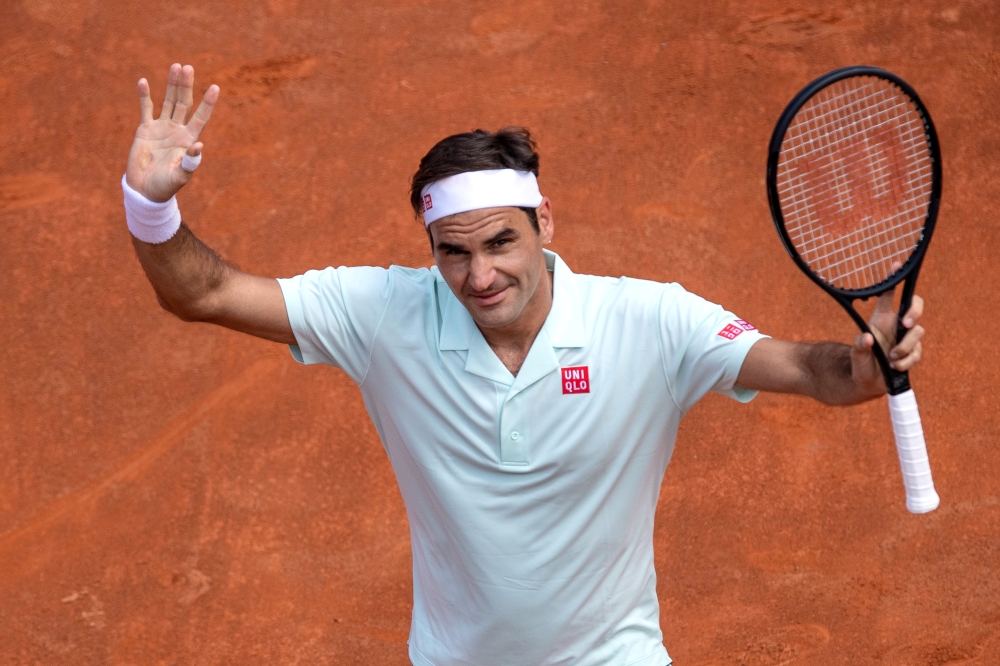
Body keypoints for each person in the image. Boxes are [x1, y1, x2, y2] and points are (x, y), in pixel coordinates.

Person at [123, 64, 926, 666]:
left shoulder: (648, 319)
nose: (480, 277)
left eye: (502, 242)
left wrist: (867, 362)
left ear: (544, 219)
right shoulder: (382, 313)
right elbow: (208, 294)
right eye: (454, 252)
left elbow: (814, 371)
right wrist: (150, 205)